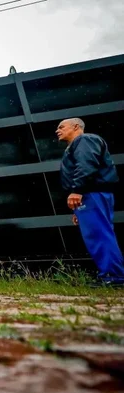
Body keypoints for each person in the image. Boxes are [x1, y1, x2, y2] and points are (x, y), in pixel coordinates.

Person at [56, 117, 123, 288]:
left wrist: (77, 190)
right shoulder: (76, 145)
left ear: (76, 127)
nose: (58, 130)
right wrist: (77, 210)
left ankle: (114, 277)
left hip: (91, 193)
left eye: (62, 127)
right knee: (97, 234)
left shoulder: (85, 140)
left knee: (100, 235)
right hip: (89, 195)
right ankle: (110, 275)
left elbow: (86, 165)